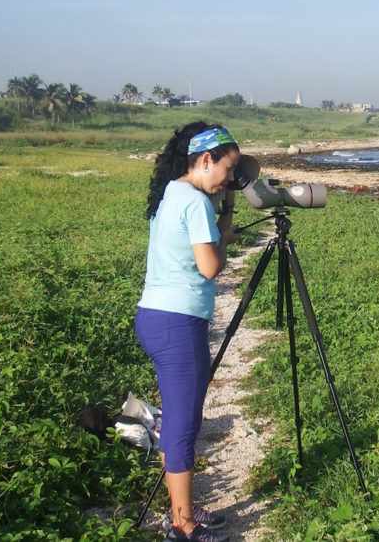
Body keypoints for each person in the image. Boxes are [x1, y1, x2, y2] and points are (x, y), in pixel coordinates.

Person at [135, 122, 241, 542]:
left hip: (156, 316)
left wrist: (226, 209)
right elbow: (210, 266)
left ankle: (180, 509)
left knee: (178, 420)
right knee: (183, 426)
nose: (229, 179)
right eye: (228, 170)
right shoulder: (196, 202)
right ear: (205, 160)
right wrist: (223, 237)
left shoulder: (173, 192)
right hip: (178, 323)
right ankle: (182, 525)